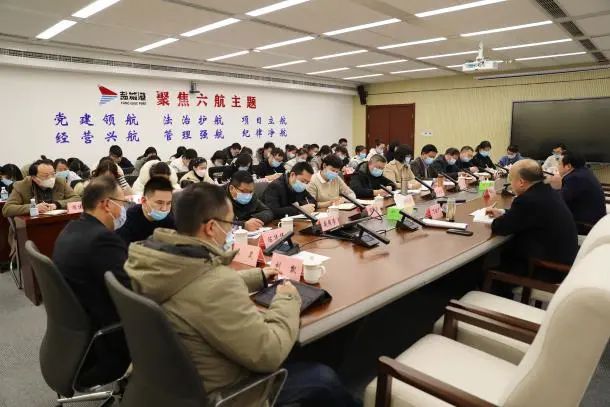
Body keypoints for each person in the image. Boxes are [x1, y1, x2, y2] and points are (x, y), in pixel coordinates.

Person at [123, 183, 357, 406]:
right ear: (211, 227)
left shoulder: (159, 262)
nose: (231, 230)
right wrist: (287, 297)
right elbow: (269, 354)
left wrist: (259, 276)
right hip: (224, 393)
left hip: (171, 386)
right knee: (323, 378)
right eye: (230, 223)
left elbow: (194, 282)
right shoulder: (216, 286)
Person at [52, 176, 131, 385]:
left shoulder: (71, 229)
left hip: (77, 338)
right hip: (106, 340)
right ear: (106, 204)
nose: (124, 209)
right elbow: (131, 292)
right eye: (122, 203)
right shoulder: (101, 239)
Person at [485, 159, 578, 277]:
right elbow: (528, 215)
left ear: (521, 182)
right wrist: (503, 212)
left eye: (511, 180)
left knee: (483, 267)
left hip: (543, 268)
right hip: (561, 259)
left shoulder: (527, 200)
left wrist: (499, 219)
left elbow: (500, 227)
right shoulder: (547, 191)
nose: (510, 184)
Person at [549, 151, 606, 234]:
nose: (558, 167)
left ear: (568, 166)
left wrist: (554, 186)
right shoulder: (584, 172)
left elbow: (558, 200)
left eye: (559, 164)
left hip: (585, 225)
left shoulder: (575, 178)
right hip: (594, 221)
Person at [2, 158, 80, 217]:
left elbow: (77, 199)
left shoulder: (60, 182)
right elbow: (7, 209)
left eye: (53, 174)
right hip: (32, 226)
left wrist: (57, 204)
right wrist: (34, 207)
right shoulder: (22, 186)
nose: (51, 178)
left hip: (57, 221)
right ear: (34, 178)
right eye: (46, 176)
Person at [117, 177, 176, 244]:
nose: (164, 208)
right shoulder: (127, 220)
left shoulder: (171, 219)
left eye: (168, 203)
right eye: (159, 203)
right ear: (144, 201)